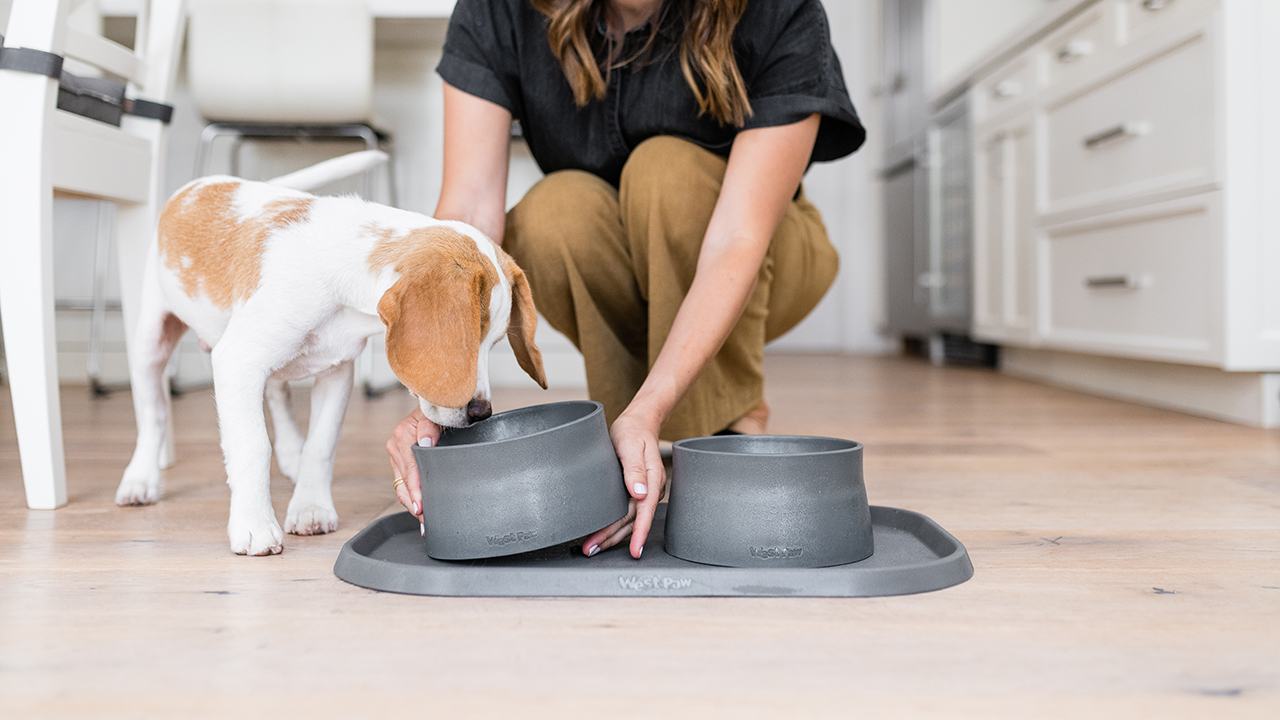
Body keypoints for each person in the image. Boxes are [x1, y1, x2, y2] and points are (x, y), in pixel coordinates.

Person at [385, 0, 865, 559]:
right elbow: (466, 213)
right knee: (550, 213)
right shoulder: (499, 10)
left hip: (771, 255)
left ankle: (724, 429)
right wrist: (436, 393)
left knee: (666, 174)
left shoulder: (780, 10)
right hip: (610, 257)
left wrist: (654, 409)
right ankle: (628, 446)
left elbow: (738, 237)